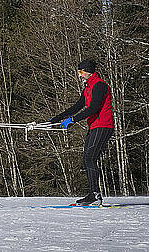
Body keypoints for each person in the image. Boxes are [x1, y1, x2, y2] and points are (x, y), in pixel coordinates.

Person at [49, 59, 114, 206]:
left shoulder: (100, 86)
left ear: (88, 71)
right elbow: (77, 106)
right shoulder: (88, 87)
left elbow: (93, 109)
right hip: (95, 126)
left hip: (103, 126)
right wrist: (59, 118)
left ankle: (95, 196)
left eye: (80, 72)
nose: (79, 75)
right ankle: (93, 194)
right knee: (86, 159)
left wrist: (73, 120)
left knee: (90, 158)